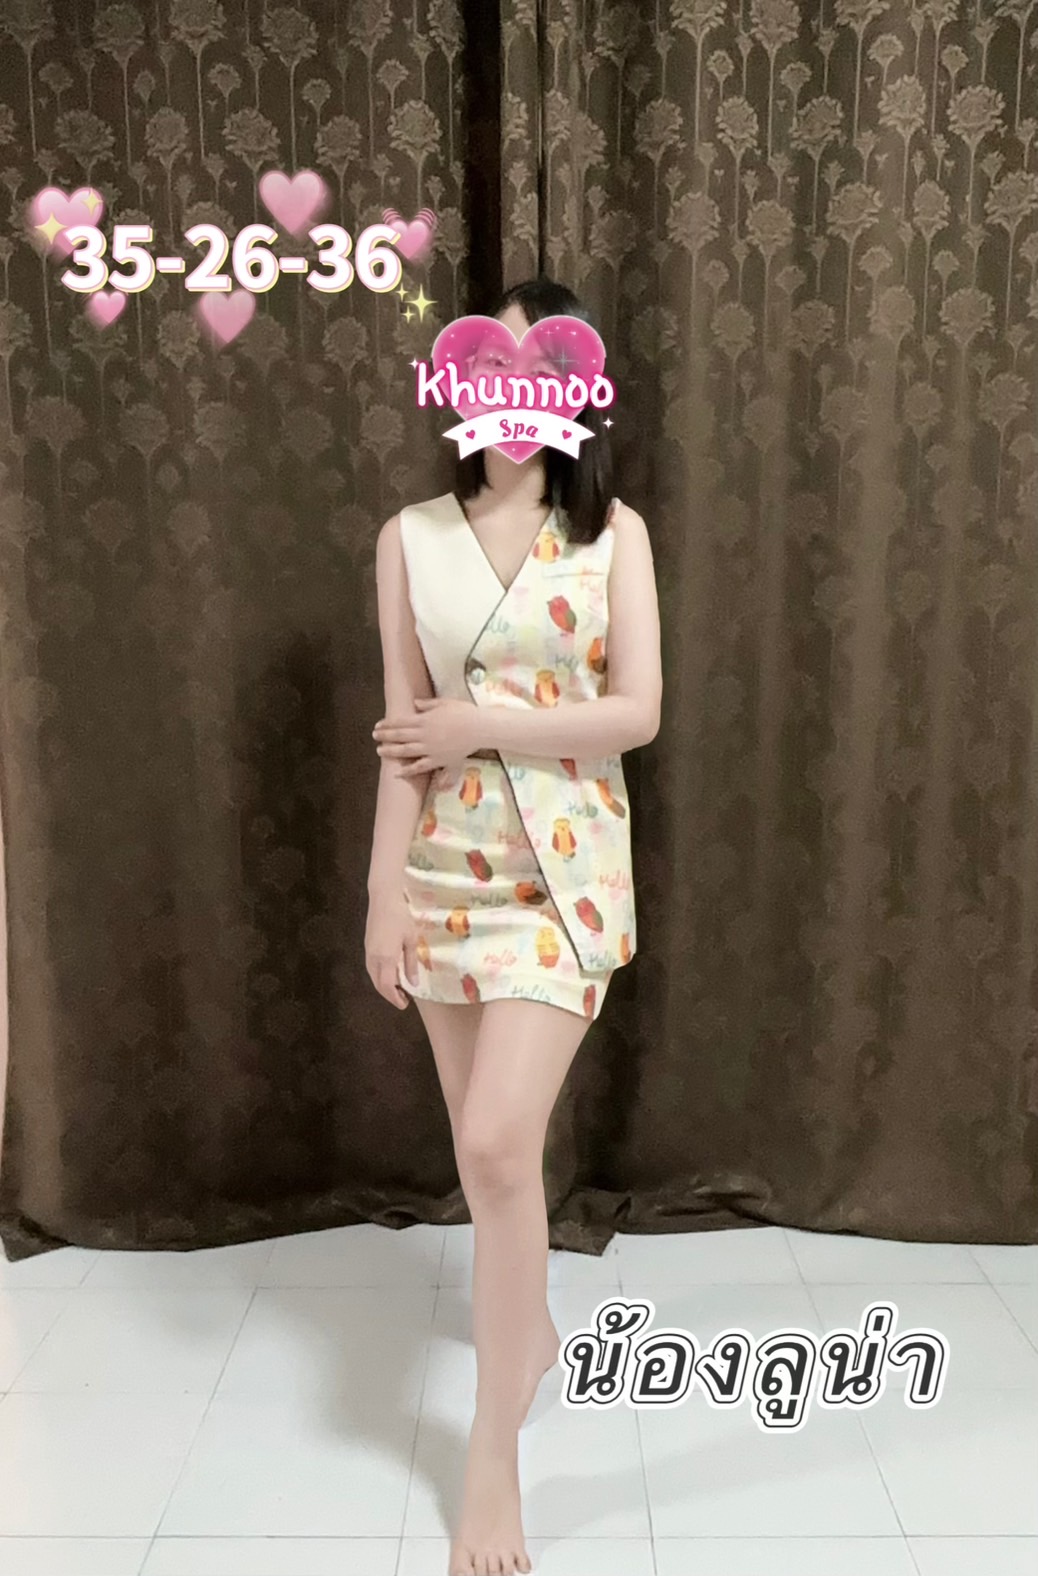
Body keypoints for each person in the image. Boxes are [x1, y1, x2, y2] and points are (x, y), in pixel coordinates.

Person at [365, 276, 662, 1576]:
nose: (517, 398)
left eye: (547, 375)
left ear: (576, 396)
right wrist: (380, 893)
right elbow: (402, 736)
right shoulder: (409, 539)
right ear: (461, 383)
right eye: (497, 371)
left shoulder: (613, 537)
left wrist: (487, 723)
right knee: (486, 1162)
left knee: (495, 1143)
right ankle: (525, 1331)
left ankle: (492, 1453)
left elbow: (636, 712)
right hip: (444, 876)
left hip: (564, 877)